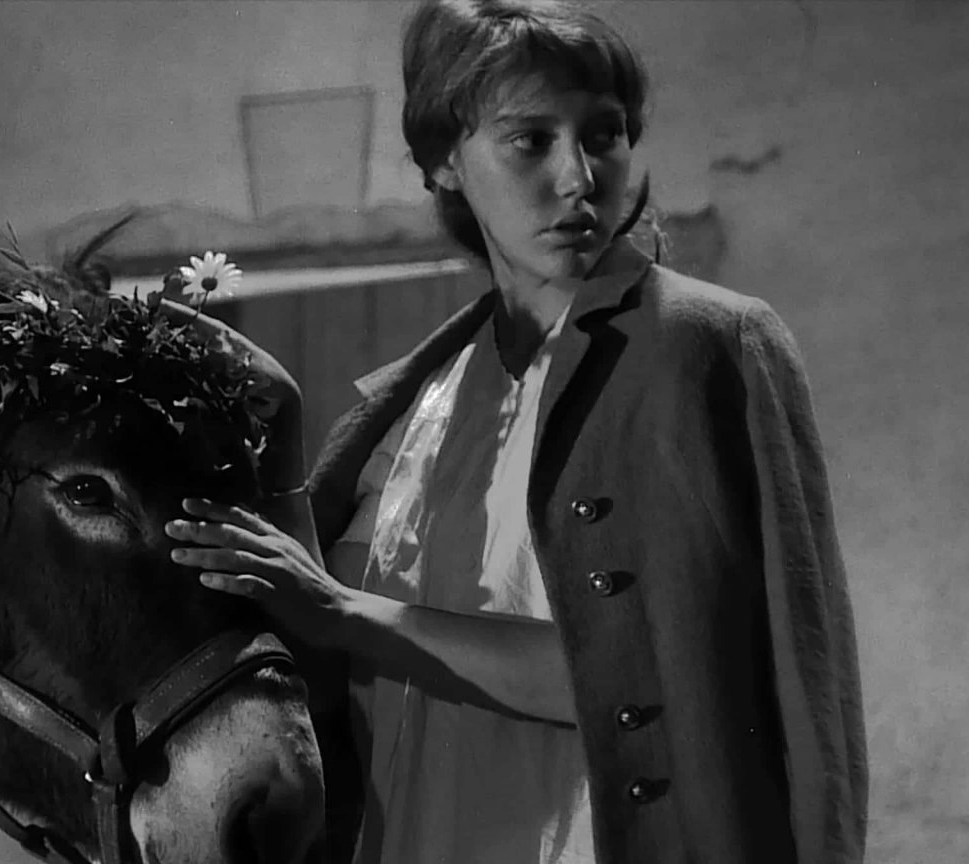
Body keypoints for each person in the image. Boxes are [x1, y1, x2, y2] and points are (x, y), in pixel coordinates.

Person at [163, 1, 868, 862]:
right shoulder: (416, 402)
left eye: (604, 134)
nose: (579, 177)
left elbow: (693, 674)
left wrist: (348, 612)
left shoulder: (703, 346)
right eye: (530, 140)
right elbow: (323, 682)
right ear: (445, 162)